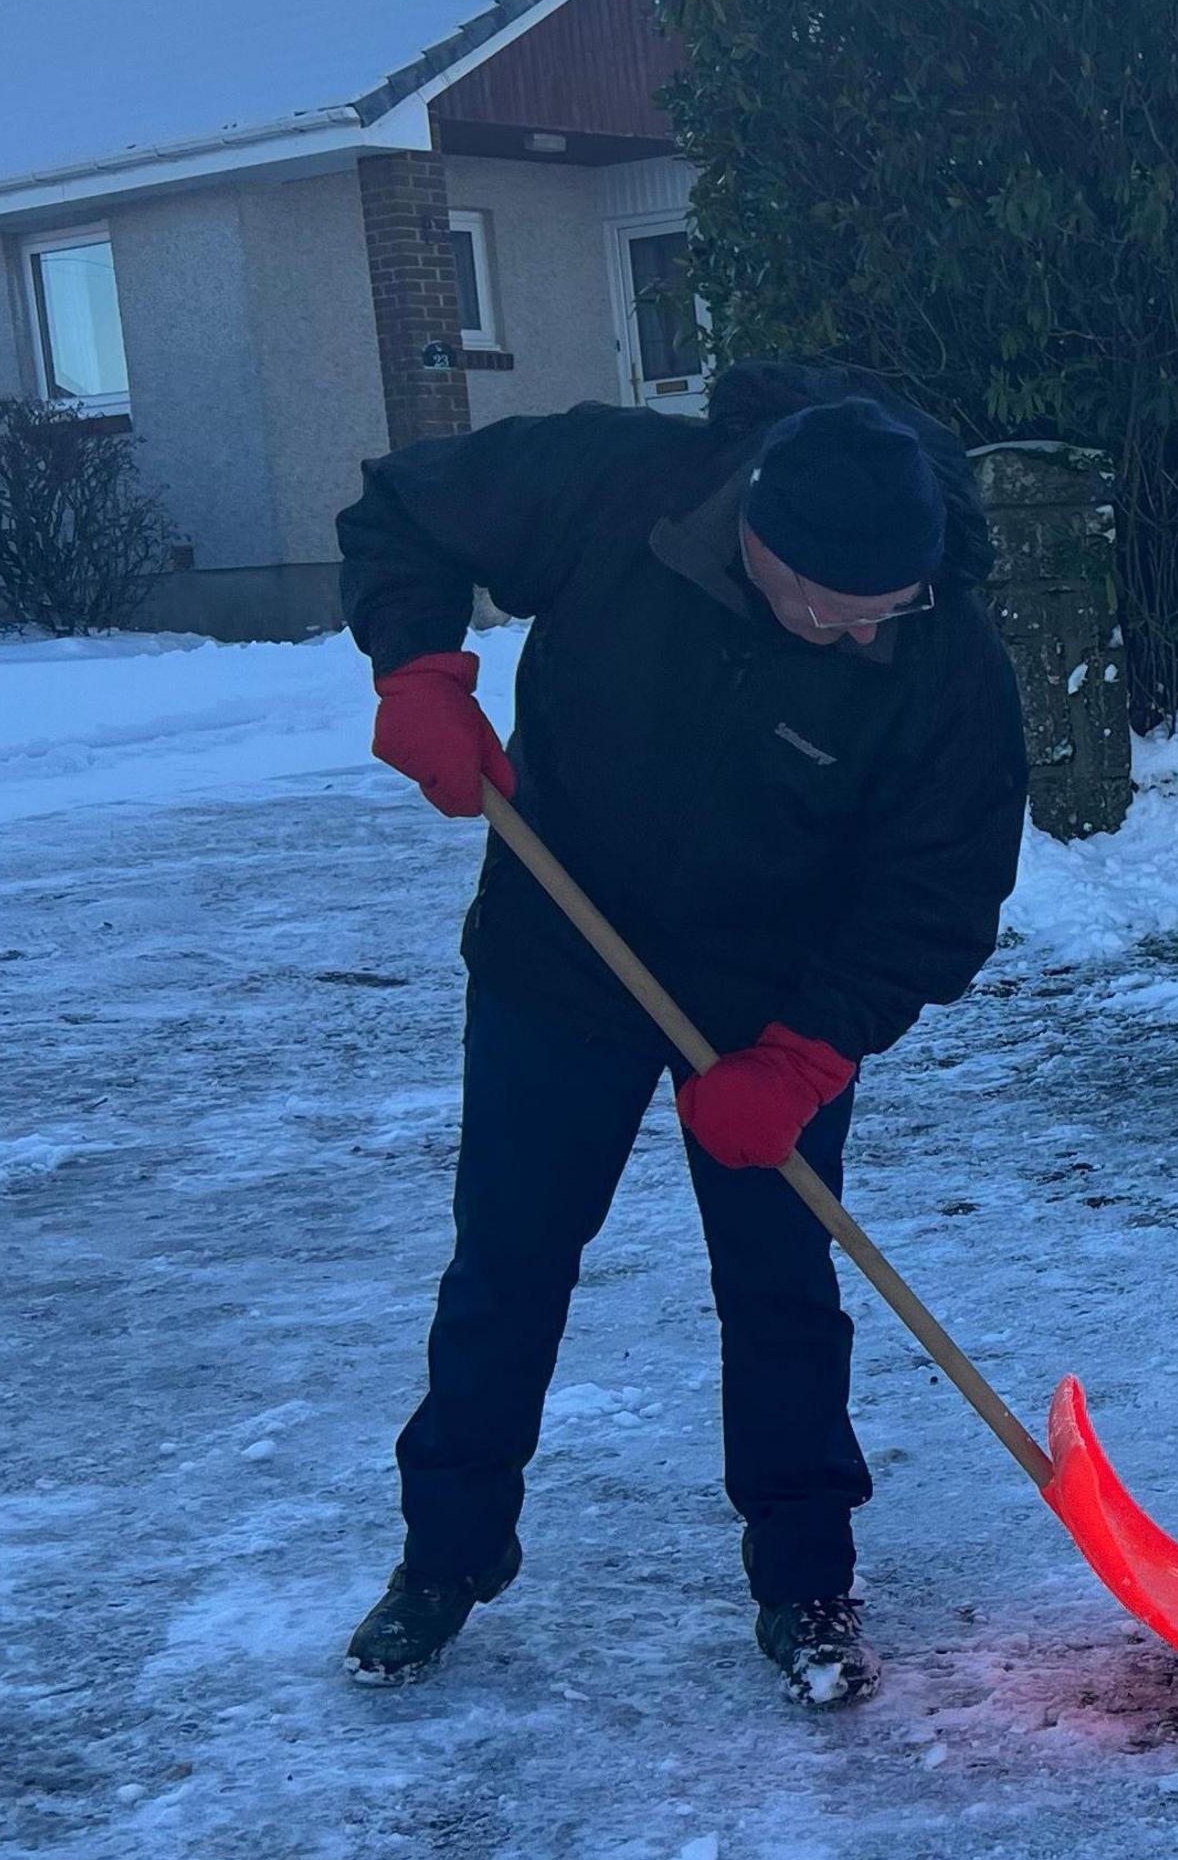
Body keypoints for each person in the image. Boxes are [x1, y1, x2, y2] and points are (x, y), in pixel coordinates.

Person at [335, 362, 1027, 1707]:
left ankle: (807, 1577)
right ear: (760, 537)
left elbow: (940, 892)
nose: (857, 639)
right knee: (508, 1264)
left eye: (887, 613)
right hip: (563, 947)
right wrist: (417, 667)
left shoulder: (943, 658)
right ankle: (444, 1559)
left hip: (774, 995)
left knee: (784, 1285)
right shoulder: (616, 484)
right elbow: (405, 511)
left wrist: (810, 1054)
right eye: (832, 611)